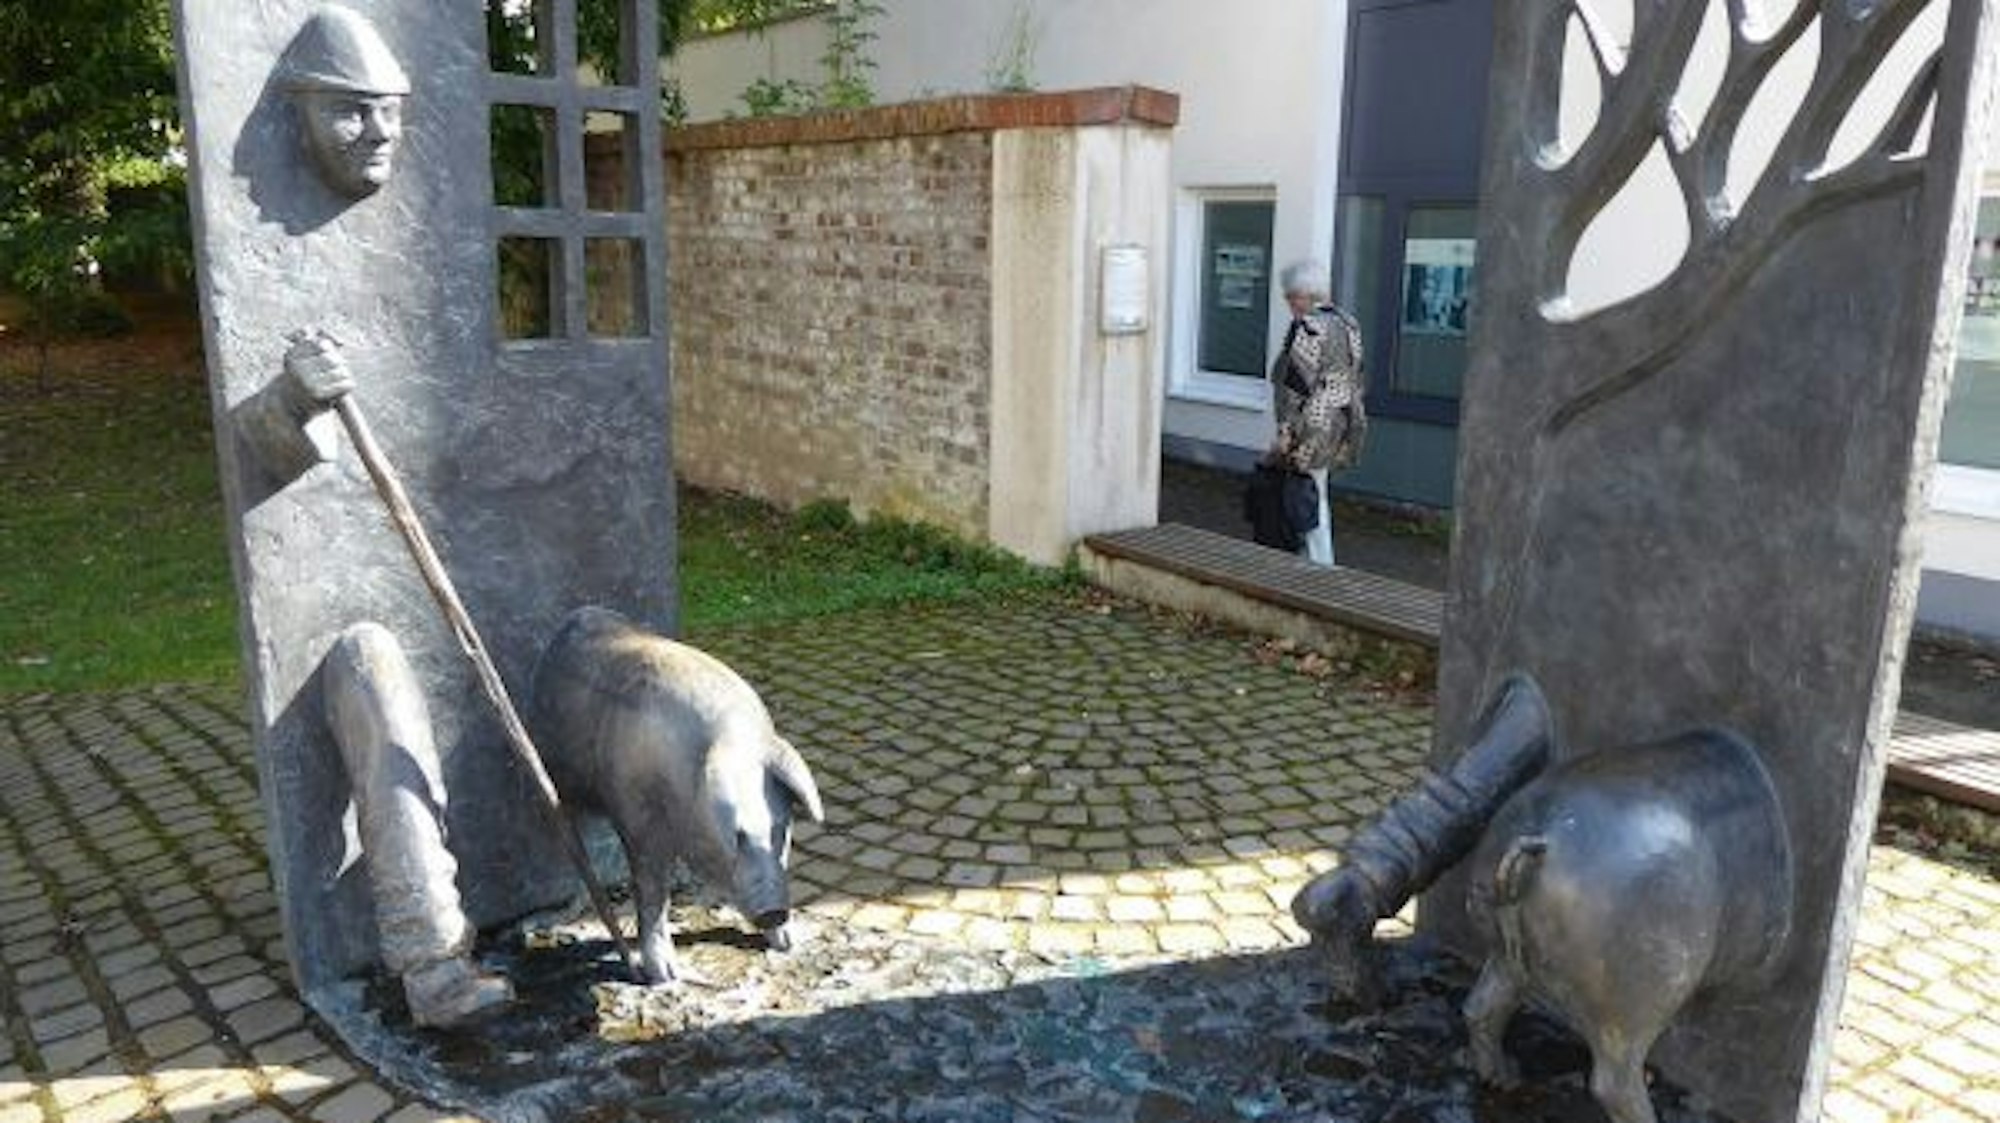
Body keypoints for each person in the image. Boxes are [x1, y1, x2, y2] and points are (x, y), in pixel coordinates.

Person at [1269, 260, 1367, 566]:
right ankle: (1313, 558)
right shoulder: (1347, 322)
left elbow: (1295, 385)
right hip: (1343, 417)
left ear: (1304, 294)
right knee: (1316, 488)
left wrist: (1286, 432)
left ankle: (1318, 563)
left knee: (1307, 493)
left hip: (1314, 421)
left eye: (1289, 296)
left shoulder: (1309, 326)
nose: (1288, 303)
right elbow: (1357, 373)